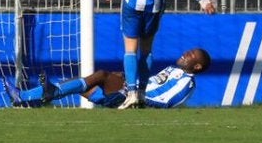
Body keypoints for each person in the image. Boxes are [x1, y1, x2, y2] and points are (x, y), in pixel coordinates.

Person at [16, 46, 211, 109]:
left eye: (192, 55)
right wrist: (128, 80)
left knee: (100, 75)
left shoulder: (187, 82)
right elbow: (151, 83)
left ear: (198, 66)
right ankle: (27, 98)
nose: (186, 53)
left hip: (134, 100)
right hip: (130, 92)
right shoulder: (172, 69)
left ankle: (33, 96)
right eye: (189, 51)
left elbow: (168, 101)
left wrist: (135, 96)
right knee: (82, 85)